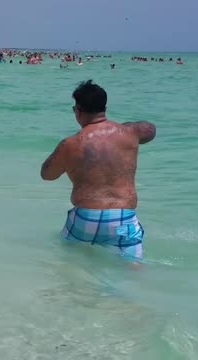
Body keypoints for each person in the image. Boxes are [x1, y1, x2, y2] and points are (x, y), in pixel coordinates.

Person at [40, 80, 156, 260]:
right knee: (133, 268)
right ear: (104, 108)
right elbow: (151, 130)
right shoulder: (131, 132)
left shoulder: (70, 144)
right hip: (123, 218)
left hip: (85, 219)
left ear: (78, 111)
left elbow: (47, 175)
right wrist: (125, 128)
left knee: (70, 264)